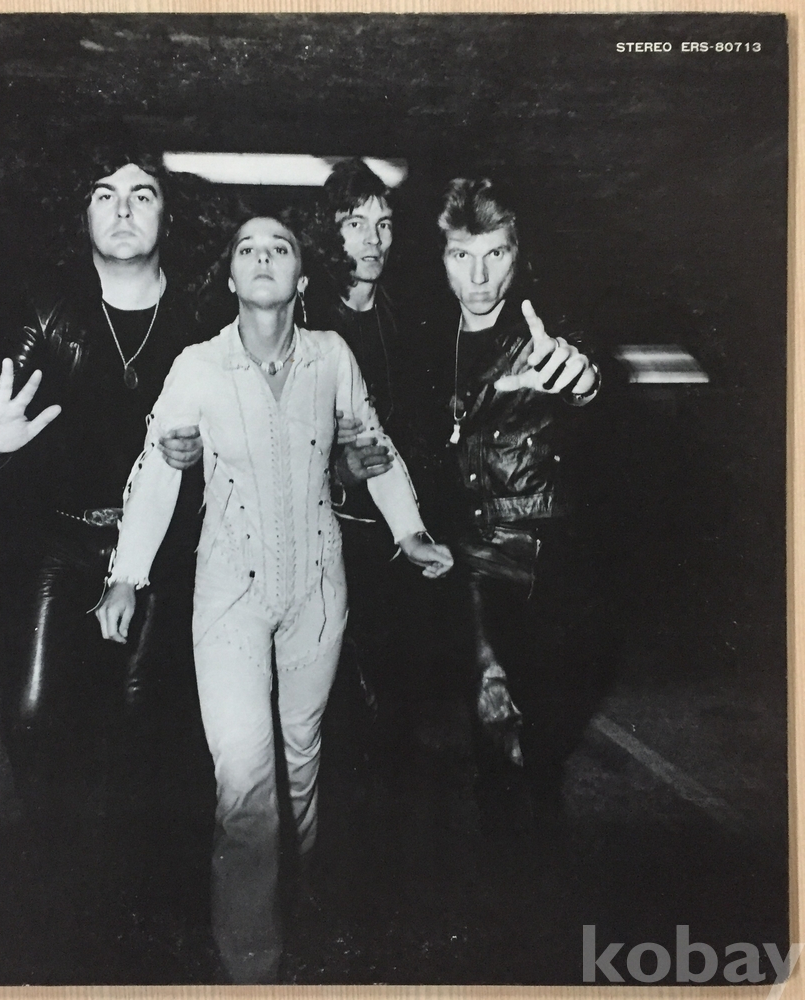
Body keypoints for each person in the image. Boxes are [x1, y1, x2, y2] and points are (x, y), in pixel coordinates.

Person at [95, 211, 452, 983]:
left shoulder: (332, 357)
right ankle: (251, 965)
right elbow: (156, 467)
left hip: (318, 589)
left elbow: (372, 446)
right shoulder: (198, 365)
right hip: (229, 593)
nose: (262, 258)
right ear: (229, 276)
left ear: (303, 276)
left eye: (279, 248)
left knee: (299, 764)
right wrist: (126, 574)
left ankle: (301, 900)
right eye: (248, 250)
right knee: (245, 779)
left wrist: (412, 531)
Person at [0, 144, 206, 822]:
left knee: (147, 736)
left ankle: (139, 879)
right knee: (35, 723)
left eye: (141, 195)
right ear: (83, 214)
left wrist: (206, 454)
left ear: (168, 216)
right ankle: (52, 873)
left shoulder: (199, 318)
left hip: (163, 553)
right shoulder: (45, 311)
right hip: (60, 545)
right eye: (104, 194)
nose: (123, 210)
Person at [414, 176, 605, 830]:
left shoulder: (540, 336)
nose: (479, 276)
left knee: (540, 743)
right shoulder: (425, 342)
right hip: (461, 563)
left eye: (495, 254)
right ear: (442, 257)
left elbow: (585, 380)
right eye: (462, 256)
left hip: (538, 560)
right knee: (488, 733)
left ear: (518, 255)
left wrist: (581, 379)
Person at [306, 158, 416, 728]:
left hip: (392, 542)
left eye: (384, 224)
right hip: (324, 543)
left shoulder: (405, 321)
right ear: (330, 232)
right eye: (355, 223)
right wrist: (338, 470)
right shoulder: (306, 324)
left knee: (391, 699)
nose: (373, 240)